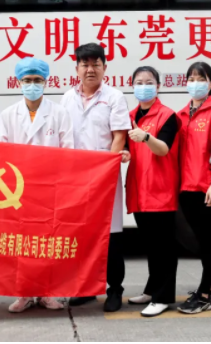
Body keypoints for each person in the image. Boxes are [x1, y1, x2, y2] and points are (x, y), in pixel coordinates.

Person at [0, 57, 74, 313]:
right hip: (17, 190)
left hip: (49, 188)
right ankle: (23, 293)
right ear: (19, 82)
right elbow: (1, 153)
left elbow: (68, 151)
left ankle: (46, 293)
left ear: (46, 82)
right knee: (20, 241)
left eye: (37, 80)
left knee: (47, 241)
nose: (32, 85)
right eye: (27, 80)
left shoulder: (60, 113)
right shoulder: (8, 114)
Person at [60, 43, 131, 313]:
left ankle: (115, 289)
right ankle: (87, 288)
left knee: (110, 236)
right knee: (82, 235)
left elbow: (119, 136)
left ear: (104, 67)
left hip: (105, 179)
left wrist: (104, 173)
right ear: (76, 68)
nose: (90, 69)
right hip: (75, 179)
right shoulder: (67, 98)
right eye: (85, 64)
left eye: (96, 64)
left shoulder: (114, 97)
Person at [123, 66, 180, 317]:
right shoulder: (130, 116)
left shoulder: (167, 116)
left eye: (149, 82)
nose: (143, 86)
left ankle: (163, 297)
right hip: (139, 189)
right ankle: (152, 289)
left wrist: (146, 137)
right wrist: (125, 153)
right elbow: (127, 147)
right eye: (138, 82)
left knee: (164, 247)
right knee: (151, 245)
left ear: (158, 86)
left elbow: (164, 149)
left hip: (160, 189)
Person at [176, 62, 211, 315]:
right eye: (191, 79)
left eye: (201, 79)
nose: (195, 83)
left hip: (207, 187)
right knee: (201, 239)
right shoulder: (181, 114)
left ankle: (205, 293)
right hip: (186, 187)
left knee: (209, 240)